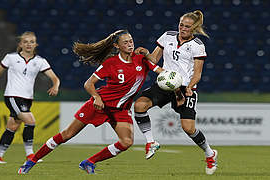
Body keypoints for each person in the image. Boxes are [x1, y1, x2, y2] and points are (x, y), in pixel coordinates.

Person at [17, 30, 174, 175]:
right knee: (67, 134)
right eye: (125, 42)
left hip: (120, 110)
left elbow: (162, 73)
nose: (130, 44)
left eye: (131, 41)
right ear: (116, 46)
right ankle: (31, 161)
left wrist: (175, 80)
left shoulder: (141, 60)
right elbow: (88, 84)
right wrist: (97, 98)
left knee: (126, 142)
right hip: (100, 105)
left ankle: (89, 162)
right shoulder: (110, 63)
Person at [133, 10, 218, 175]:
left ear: (193, 28)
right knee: (140, 105)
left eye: (187, 26)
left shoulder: (197, 45)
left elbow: (197, 73)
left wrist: (189, 87)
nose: (183, 29)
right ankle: (151, 142)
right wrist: (145, 53)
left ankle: (209, 153)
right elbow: (154, 59)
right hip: (165, 83)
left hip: (185, 87)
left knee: (188, 128)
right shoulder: (168, 36)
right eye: (181, 25)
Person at [0, 31, 60, 164]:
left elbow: (55, 78)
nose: (28, 44)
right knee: (30, 121)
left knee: (12, 127)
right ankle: (30, 155)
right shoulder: (10, 58)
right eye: (25, 42)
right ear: (20, 44)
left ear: (36, 44)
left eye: (31, 42)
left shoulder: (40, 61)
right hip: (12, 95)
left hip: (27, 98)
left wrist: (55, 86)